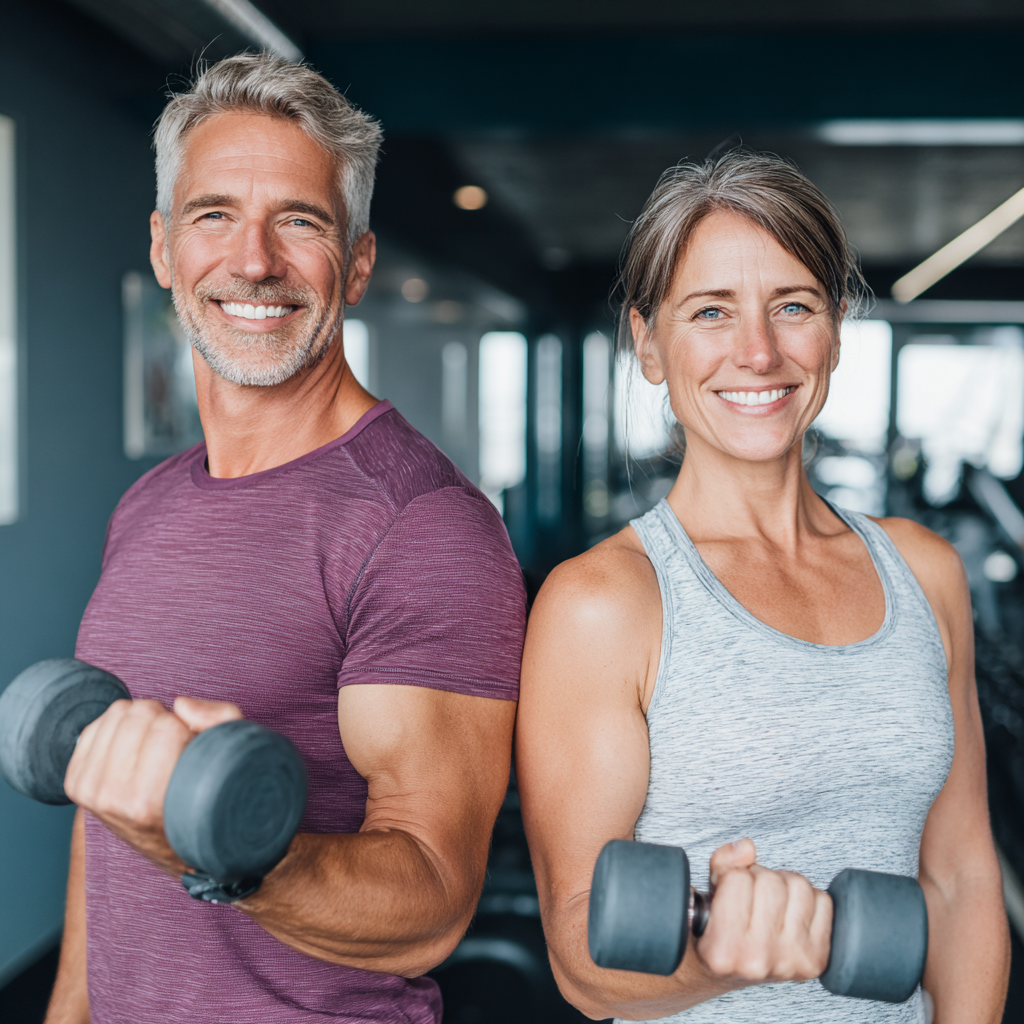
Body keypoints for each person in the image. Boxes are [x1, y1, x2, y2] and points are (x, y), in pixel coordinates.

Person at [45, 53, 526, 1024]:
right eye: (214, 213)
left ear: (355, 262)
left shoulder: (423, 525)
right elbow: (108, 825)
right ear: (163, 247)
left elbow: (429, 903)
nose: (253, 259)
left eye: (299, 221)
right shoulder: (147, 506)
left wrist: (205, 845)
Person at [516, 150, 1009, 1023]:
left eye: (793, 306)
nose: (758, 351)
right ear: (649, 345)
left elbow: (962, 880)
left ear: (836, 331)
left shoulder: (923, 572)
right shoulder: (605, 605)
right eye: (711, 312)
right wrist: (724, 964)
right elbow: (581, 959)